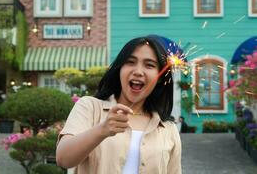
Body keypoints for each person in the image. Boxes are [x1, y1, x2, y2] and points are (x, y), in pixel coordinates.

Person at [56, 36, 182, 174]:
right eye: (130, 62)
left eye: (149, 65)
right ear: (119, 69)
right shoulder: (89, 107)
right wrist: (101, 130)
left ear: (159, 78)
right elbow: (63, 159)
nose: (138, 71)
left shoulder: (168, 129)